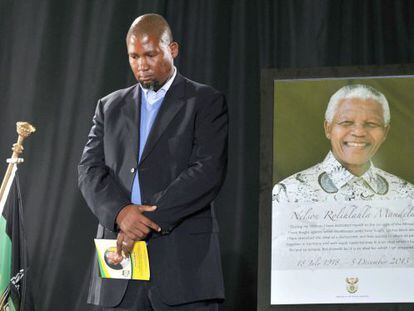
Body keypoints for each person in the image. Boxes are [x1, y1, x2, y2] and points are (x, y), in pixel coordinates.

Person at [78, 13, 228, 310]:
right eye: (134, 56)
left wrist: (144, 221)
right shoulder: (109, 107)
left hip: (183, 266)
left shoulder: (205, 100)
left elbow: (207, 171)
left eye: (150, 54)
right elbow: (88, 170)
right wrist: (121, 214)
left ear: (172, 50)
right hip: (121, 265)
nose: (141, 65)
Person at [273, 84, 414, 204]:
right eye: (346, 122)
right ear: (328, 128)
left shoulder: (406, 195)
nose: (359, 132)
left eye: (371, 124)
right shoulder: (288, 194)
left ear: (385, 132)